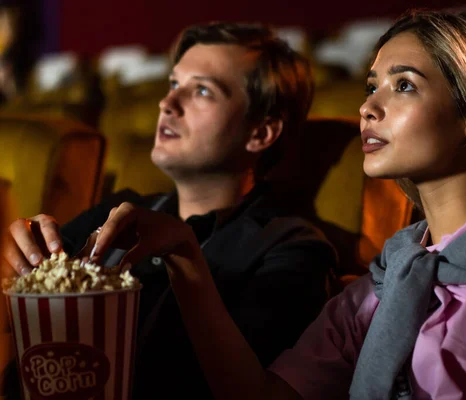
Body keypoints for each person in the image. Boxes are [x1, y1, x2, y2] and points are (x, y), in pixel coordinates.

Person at [75, 9, 466, 400]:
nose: (368, 107)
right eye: (373, 86)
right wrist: (186, 256)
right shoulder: (391, 276)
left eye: (404, 86)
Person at [2, 23, 337, 398]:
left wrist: (185, 257)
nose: (167, 103)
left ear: (261, 132)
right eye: (174, 84)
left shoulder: (291, 248)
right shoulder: (121, 209)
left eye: (203, 91)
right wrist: (21, 253)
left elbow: (252, 390)